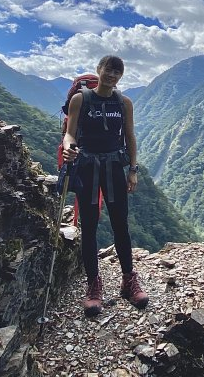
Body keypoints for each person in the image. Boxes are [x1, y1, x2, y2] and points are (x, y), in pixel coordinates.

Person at [62, 55, 149, 316]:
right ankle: (93, 285)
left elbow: (130, 136)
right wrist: (68, 149)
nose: (112, 75)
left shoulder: (123, 103)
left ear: (121, 76)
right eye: (108, 70)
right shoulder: (81, 99)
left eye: (117, 72)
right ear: (98, 70)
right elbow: (70, 132)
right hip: (88, 167)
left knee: (120, 224)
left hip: (113, 168)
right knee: (89, 226)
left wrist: (133, 170)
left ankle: (128, 280)